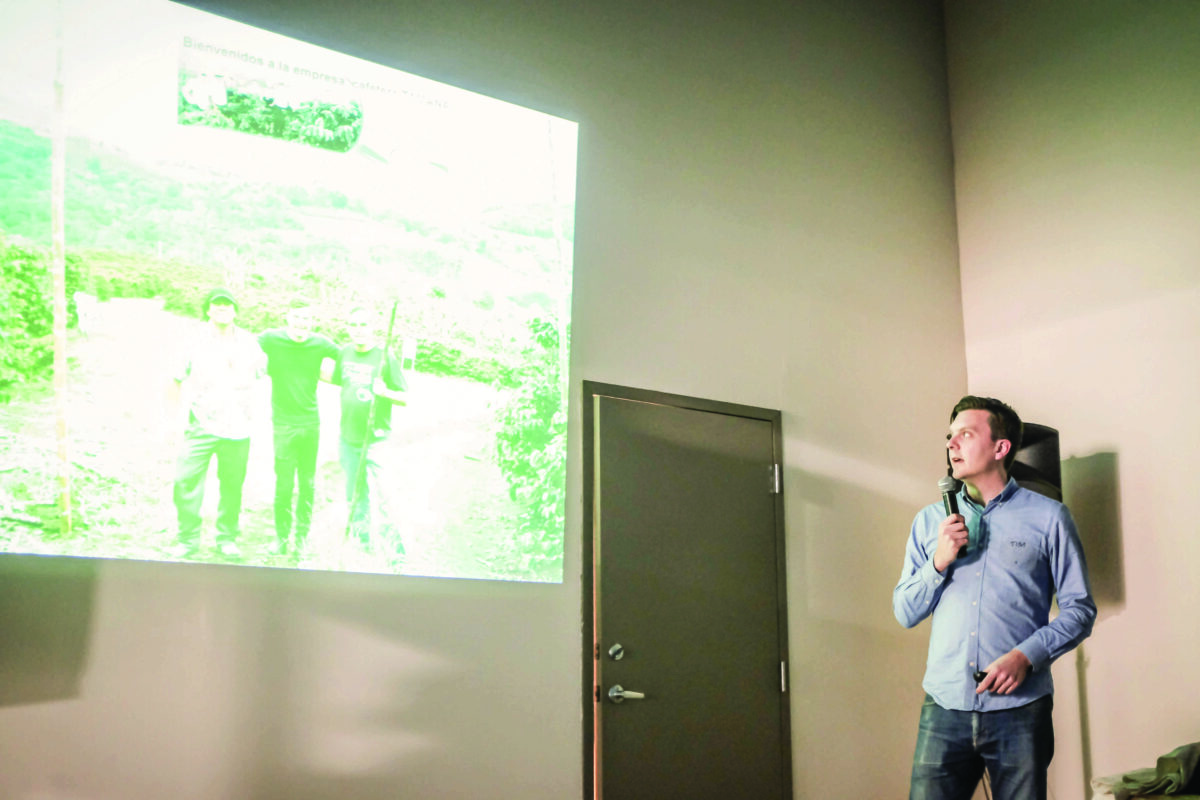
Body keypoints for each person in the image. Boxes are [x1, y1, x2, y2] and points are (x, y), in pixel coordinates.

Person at [893, 396, 1096, 800]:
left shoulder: (1050, 517)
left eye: (965, 435)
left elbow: (1080, 609)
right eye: (950, 436)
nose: (951, 444)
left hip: (1020, 712)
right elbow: (904, 611)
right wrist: (938, 562)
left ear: (1000, 448)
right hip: (944, 707)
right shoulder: (931, 522)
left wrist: (1028, 655)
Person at [168, 287, 265, 559]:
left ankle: (226, 538)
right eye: (217, 305)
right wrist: (172, 420)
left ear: (235, 311)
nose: (222, 309)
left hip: (238, 428)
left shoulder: (250, 343)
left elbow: (265, 372)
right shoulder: (193, 341)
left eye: (228, 305)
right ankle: (187, 540)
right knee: (184, 481)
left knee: (232, 485)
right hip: (201, 426)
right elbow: (175, 380)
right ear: (208, 309)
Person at [257, 302, 338, 556]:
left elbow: (349, 357)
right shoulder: (271, 338)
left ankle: (301, 539)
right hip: (283, 425)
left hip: (311, 424)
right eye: (297, 317)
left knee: (307, 484)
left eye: (306, 318)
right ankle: (281, 539)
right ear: (287, 317)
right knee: (283, 485)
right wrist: (261, 366)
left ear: (312, 321)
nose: (301, 322)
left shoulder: (321, 344)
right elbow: (243, 348)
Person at [330, 306, 407, 554]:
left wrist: (385, 392)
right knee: (355, 495)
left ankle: (396, 555)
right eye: (354, 325)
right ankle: (364, 547)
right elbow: (337, 381)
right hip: (348, 439)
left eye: (363, 325)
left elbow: (404, 397)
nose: (359, 330)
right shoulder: (344, 353)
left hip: (376, 440)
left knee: (385, 499)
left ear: (372, 327)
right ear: (348, 328)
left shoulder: (385, 356)